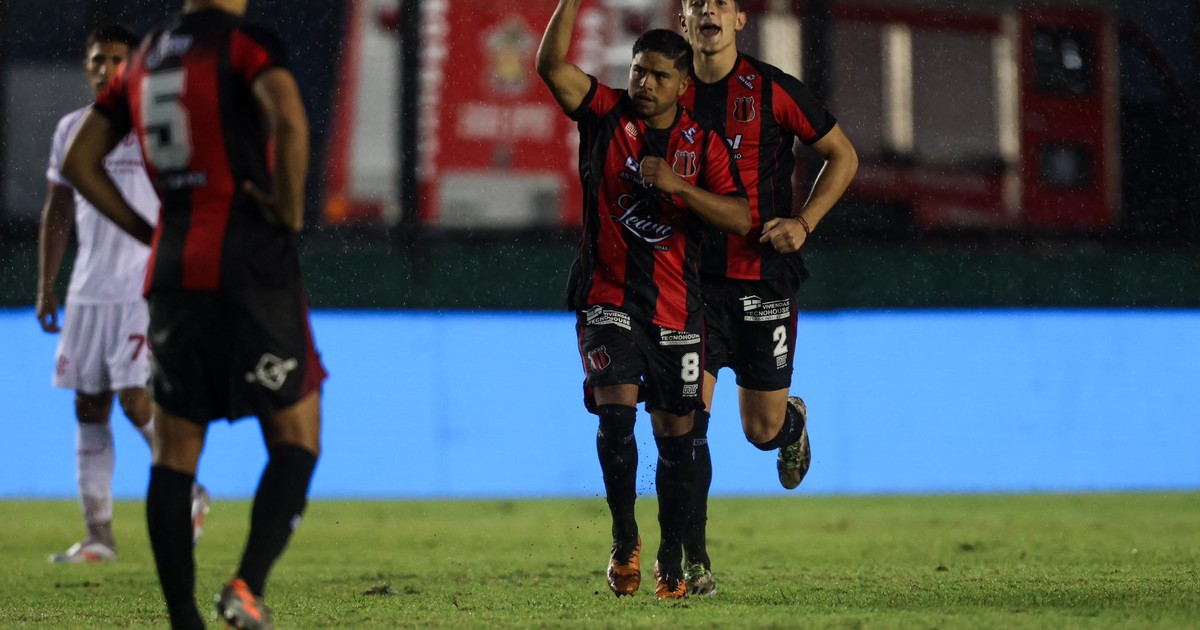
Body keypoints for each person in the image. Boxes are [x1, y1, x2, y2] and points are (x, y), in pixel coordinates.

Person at [61, 1, 325, 628]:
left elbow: (79, 161)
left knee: (175, 451)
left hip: (174, 271)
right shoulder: (243, 43)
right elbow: (290, 121)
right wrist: (289, 213)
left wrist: (149, 230)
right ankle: (245, 586)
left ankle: (183, 617)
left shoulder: (146, 57)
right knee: (297, 435)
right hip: (249, 264)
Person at [537, 0, 751, 600]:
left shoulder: (702, 144)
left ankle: (669, 554)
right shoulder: (605, 113)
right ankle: (624, 538)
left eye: (659, 75)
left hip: (677, 309)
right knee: (616, 414)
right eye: (638, 71)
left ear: (683, 85)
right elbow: (550, 66)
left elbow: (739, 216)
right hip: (606, 296)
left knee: (677, 439)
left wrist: (680, 187)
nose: (645, 83)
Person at [676, 0, 859, 595]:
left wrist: (804, 223)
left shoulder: (773, 89)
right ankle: (693, 562)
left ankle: (792, 423)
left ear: (738, 20)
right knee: (686, 427)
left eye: (720, 2)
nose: (708, 9)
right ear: (683, 19)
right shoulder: (666, 90)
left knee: (761, 430)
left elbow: (844, 156)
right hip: (692, 285)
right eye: (696, 2)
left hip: (763, 282)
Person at [36, 24, 209, 565]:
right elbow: (58, 211)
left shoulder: (153, 125)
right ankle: (99, 536)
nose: (107, 69)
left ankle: (189, 489)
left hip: (143, 285)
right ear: (86, 66)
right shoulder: (72, 130)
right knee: (89, 406)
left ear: (133, 66)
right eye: (98, 60)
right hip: (89, 290)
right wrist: (46, 286)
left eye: (117, 59)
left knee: (135, 396)